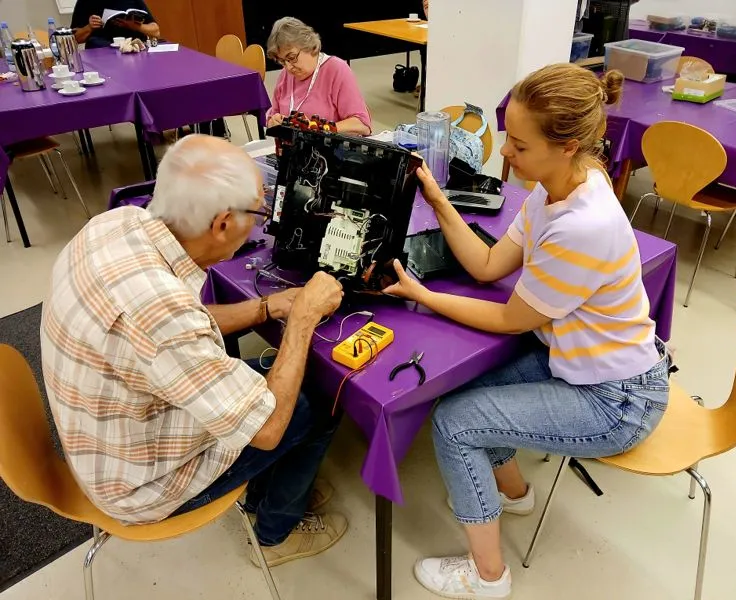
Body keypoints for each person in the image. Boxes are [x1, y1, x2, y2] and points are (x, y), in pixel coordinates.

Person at [384, 63, 670, 599]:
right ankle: (512, 494)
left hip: (617, 399)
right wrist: (436, 196)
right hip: (581, 363)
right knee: (469, 389)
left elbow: (510, 318)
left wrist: (422, 295)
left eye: (518, 144)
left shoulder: (582, 225)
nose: (504, 155)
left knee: (455, 422)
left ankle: (487, 577)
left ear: (565, 146)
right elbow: (491, 265)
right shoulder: (557, 186)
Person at [41, 134, 348, 567]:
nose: (260, 225)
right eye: (259, 214)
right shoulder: (161, 311)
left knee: (270, 373)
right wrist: (301, 319)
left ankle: (268, 488)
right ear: (223, 223)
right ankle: (276, 531)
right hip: (138, 487)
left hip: (111, 434)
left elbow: (180, 326)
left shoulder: (115, 225)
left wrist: (265, 307)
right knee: (319, 399)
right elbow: (267, 430)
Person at [266, 17, 371, 136]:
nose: (289, 67)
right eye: (283, 61)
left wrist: (320, 129)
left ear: (308, 46)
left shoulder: (336, 70)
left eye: (292, 57)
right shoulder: (285, 75)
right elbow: (272, 116)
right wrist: (273, 122)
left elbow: (362, 124)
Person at [71, 0, 160, 49]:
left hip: (133, 49)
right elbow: (74, 39)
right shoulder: (85, 2)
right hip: (102, 53)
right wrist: (89, 27)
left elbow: (156, 31)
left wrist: (136, 26)